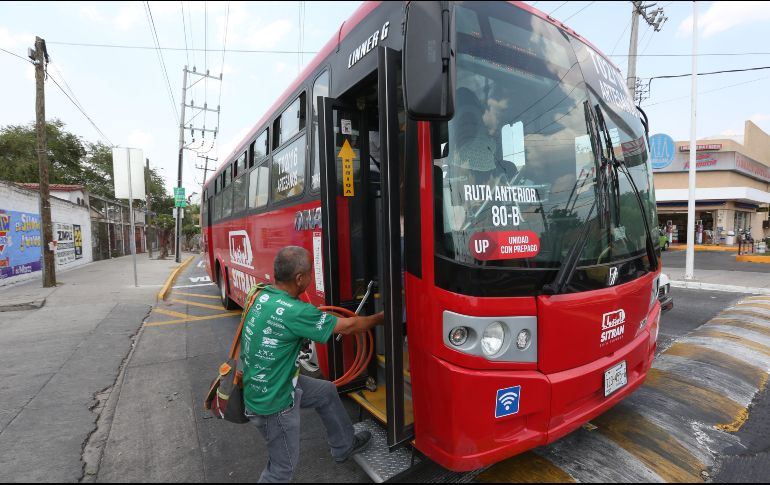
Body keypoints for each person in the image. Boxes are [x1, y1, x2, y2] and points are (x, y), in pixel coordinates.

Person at [241, 246, 384, 483]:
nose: (311, 278)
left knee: (325, 392)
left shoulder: (259, 294)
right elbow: (349, 327)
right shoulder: (297, 312)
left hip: (267, 384)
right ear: (299, 278)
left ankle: (344, 445)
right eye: (310, 273)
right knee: (280, 471)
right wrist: (381, 318)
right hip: (274, 402)